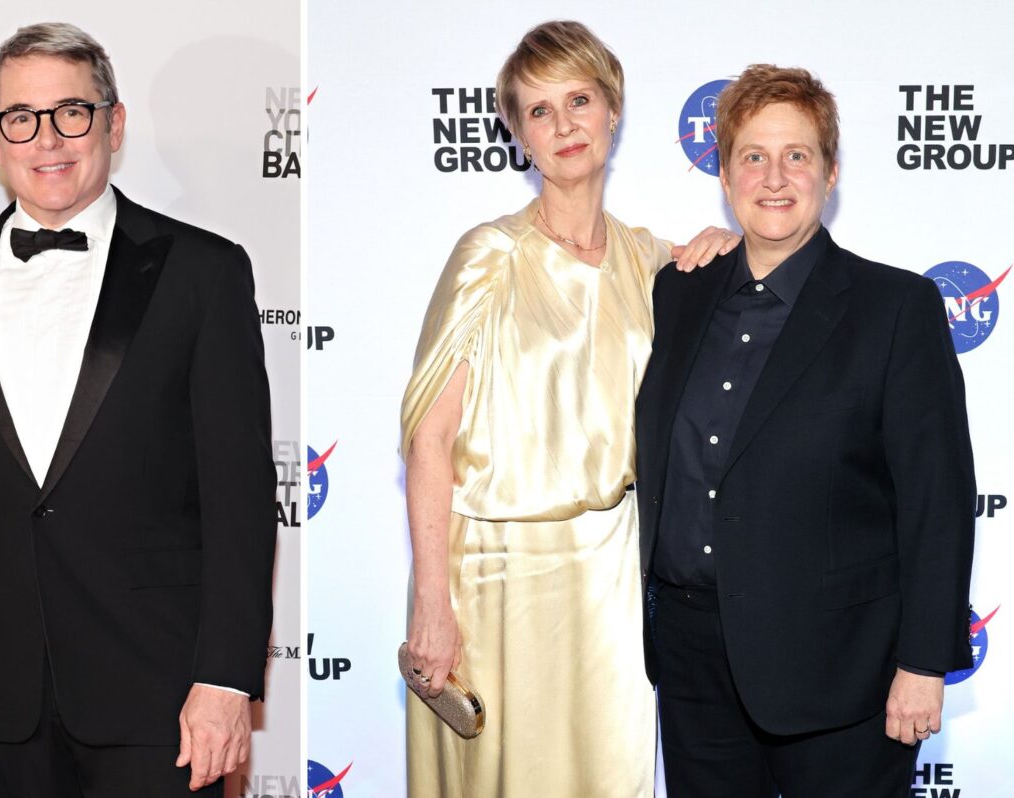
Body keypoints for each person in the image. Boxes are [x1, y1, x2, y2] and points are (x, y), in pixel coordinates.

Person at [0, 22, 276, 797]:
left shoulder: (203, 272)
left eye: (72, 112)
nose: (48, 139)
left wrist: (226, 680)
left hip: (161, 694)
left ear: (115, 121)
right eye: (21, 118)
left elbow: (241, 496)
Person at [400, 20, 738, 798]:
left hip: (612, 578)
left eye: (579, 100)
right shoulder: (488, 255)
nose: (565, 126)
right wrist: (432, 606)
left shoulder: (656, 264)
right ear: (518, 134)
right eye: (540, 110)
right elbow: (430, 436)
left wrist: (725, 245)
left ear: (613, 111)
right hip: (492, 574)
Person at [635, 64, 976, 797]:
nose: (775, 177)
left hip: (843, 672)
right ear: (724, 177)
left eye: (797, 156)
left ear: (831, 172)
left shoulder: (896, 308)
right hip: (694, 664)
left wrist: (922, 666)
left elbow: (936, 500)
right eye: (752, 157)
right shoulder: (679, 291)